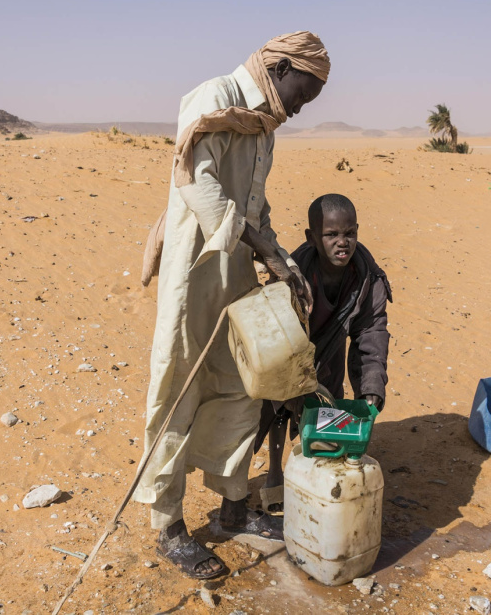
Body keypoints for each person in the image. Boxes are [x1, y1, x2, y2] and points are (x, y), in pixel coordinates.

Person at [134, 32, 330, 580]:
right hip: (195, 273)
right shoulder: (215, 97)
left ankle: (233, 508)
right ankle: (169, 526)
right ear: (281, 68)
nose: (299, 108)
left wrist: (282, 260)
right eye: (301, 93)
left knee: (242, 386)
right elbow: (199, 185)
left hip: (237, 272)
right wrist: (262, 246)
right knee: (178, 388)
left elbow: (254, 207)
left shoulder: (263, 128)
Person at [254, 193, 392, 514]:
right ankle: (274, 475)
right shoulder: (293, 275)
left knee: (327, 413)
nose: (342, 242)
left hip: (330, 355)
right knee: (278, 406)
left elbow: (371, 332)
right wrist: (296, 378)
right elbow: (276, 328)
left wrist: (371, 386)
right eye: (331, 235)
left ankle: (317, 478)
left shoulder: (367, 278)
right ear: (312, 237)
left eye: (350, 233)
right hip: (291, 351)